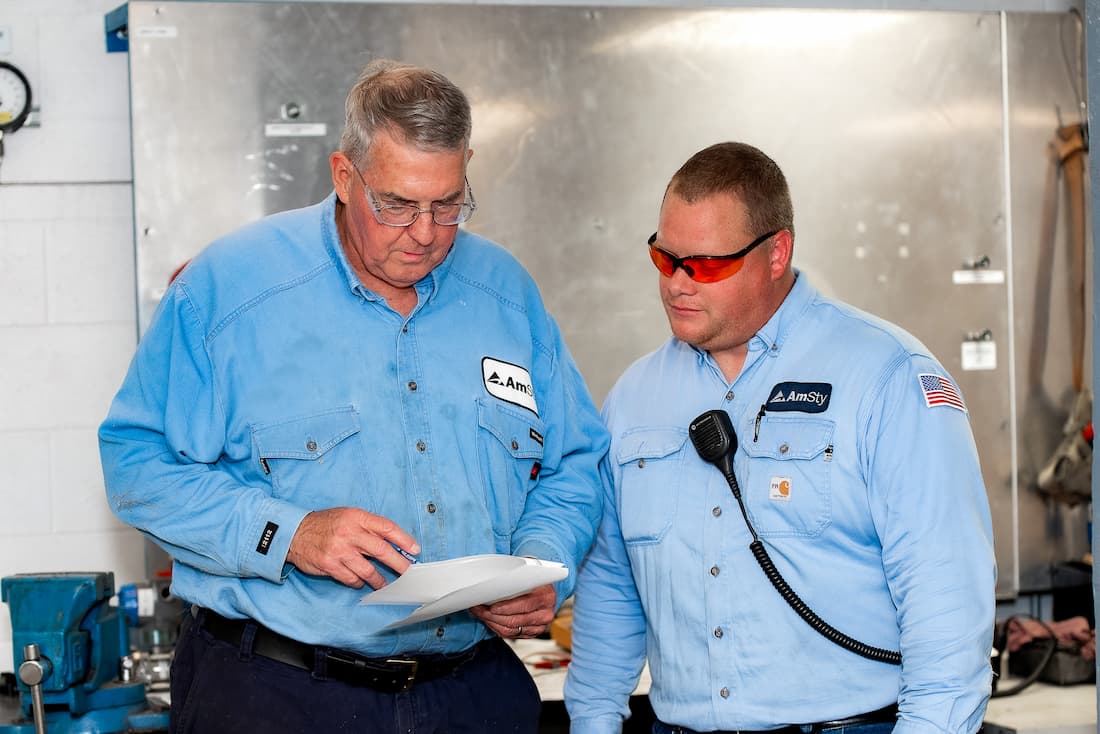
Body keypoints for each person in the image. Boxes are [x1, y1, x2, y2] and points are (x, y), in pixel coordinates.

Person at [99, 58, 608, 734]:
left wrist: (542, 565)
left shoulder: (505, 294)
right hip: (279, 695)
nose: (425, 233)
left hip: (471, 694)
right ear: (344, 176)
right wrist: (288, 533)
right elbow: (136, 465)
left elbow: (576, 461)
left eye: (448, 203)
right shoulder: (231, 291)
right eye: (396, 205)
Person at [564, 142, 995, 734]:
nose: (678, 284)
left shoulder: (886, 376)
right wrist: (593, 723)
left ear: (776, 254)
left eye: (707, 265)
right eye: (665, 259)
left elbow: (945, 596)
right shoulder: (635, 400)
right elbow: (612, 584)